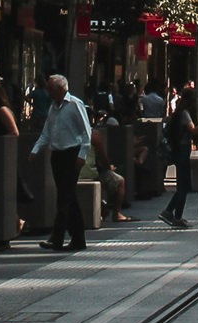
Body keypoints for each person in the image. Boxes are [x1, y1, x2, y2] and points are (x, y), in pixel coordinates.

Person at [32, 74, 92, 254]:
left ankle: (56, 237)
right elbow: (46, 132)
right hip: (57, 155)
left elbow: (86, 131)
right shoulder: (53, 108)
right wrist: (35, 150)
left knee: (64, 198)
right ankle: (78, 238)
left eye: (51, 89)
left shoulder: (74, 104)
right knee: (69, 196)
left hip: (71, 153)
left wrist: (82, 154)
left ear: (60, 89)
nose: (49, 92)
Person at [161, 86, 198, 228]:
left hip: (181, 150)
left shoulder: (180, 112)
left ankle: (170, 212)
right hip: (182, 150)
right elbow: (193, 129)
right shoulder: (185, 114)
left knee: (184, 184)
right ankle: (175, 215)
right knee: (184, 185)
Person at [83, 116, 130, 223]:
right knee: (120, 181)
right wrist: (109, 167)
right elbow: (102, 158)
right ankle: (116, 214)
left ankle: (102, 206)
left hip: (72, 173)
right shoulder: (93, 134)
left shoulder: (67, 132)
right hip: (91, 174)